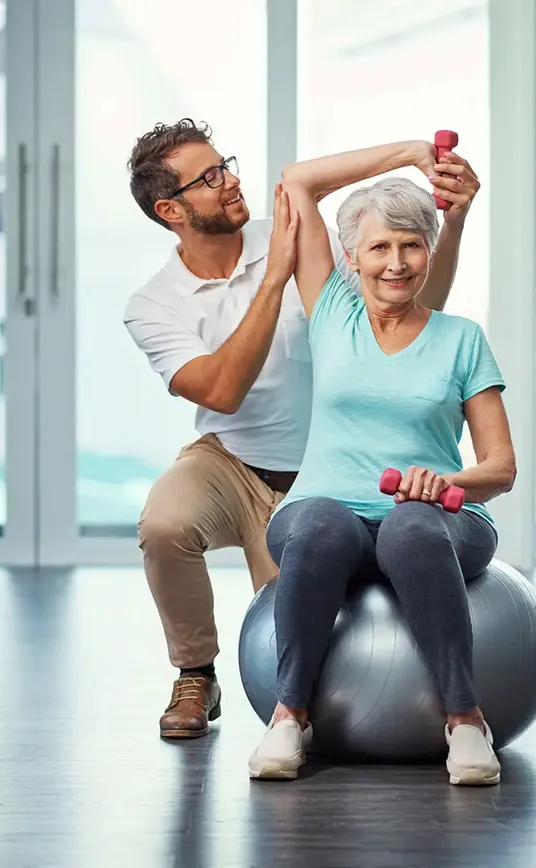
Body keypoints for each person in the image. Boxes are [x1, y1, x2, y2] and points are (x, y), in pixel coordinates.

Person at [123, 119, 481, 739]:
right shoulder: (155, 303)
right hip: (229, 458)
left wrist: (417, 163)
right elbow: (221, 391)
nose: (230, 181)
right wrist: (272, 279)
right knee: (164, 522)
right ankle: (195, 674)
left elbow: (415, 300)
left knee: (313, 622)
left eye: (224, 164)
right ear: (169, 209)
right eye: (207, 179)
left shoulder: (292, 237)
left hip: (323, 476)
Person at [247, 140, 516, 786]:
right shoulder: (332, 312)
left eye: (411, 246)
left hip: (439, 521)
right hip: (325, 511)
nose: (396, 263)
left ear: (430, 251)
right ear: (352, 258)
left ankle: (465, 721)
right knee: (318, 525)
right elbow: (297, 181)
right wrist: (409, 154)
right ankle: (290, 715)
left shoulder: (461, 339)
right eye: (379, 247)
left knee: (410, 526)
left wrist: (444, 481)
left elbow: (501, 467)